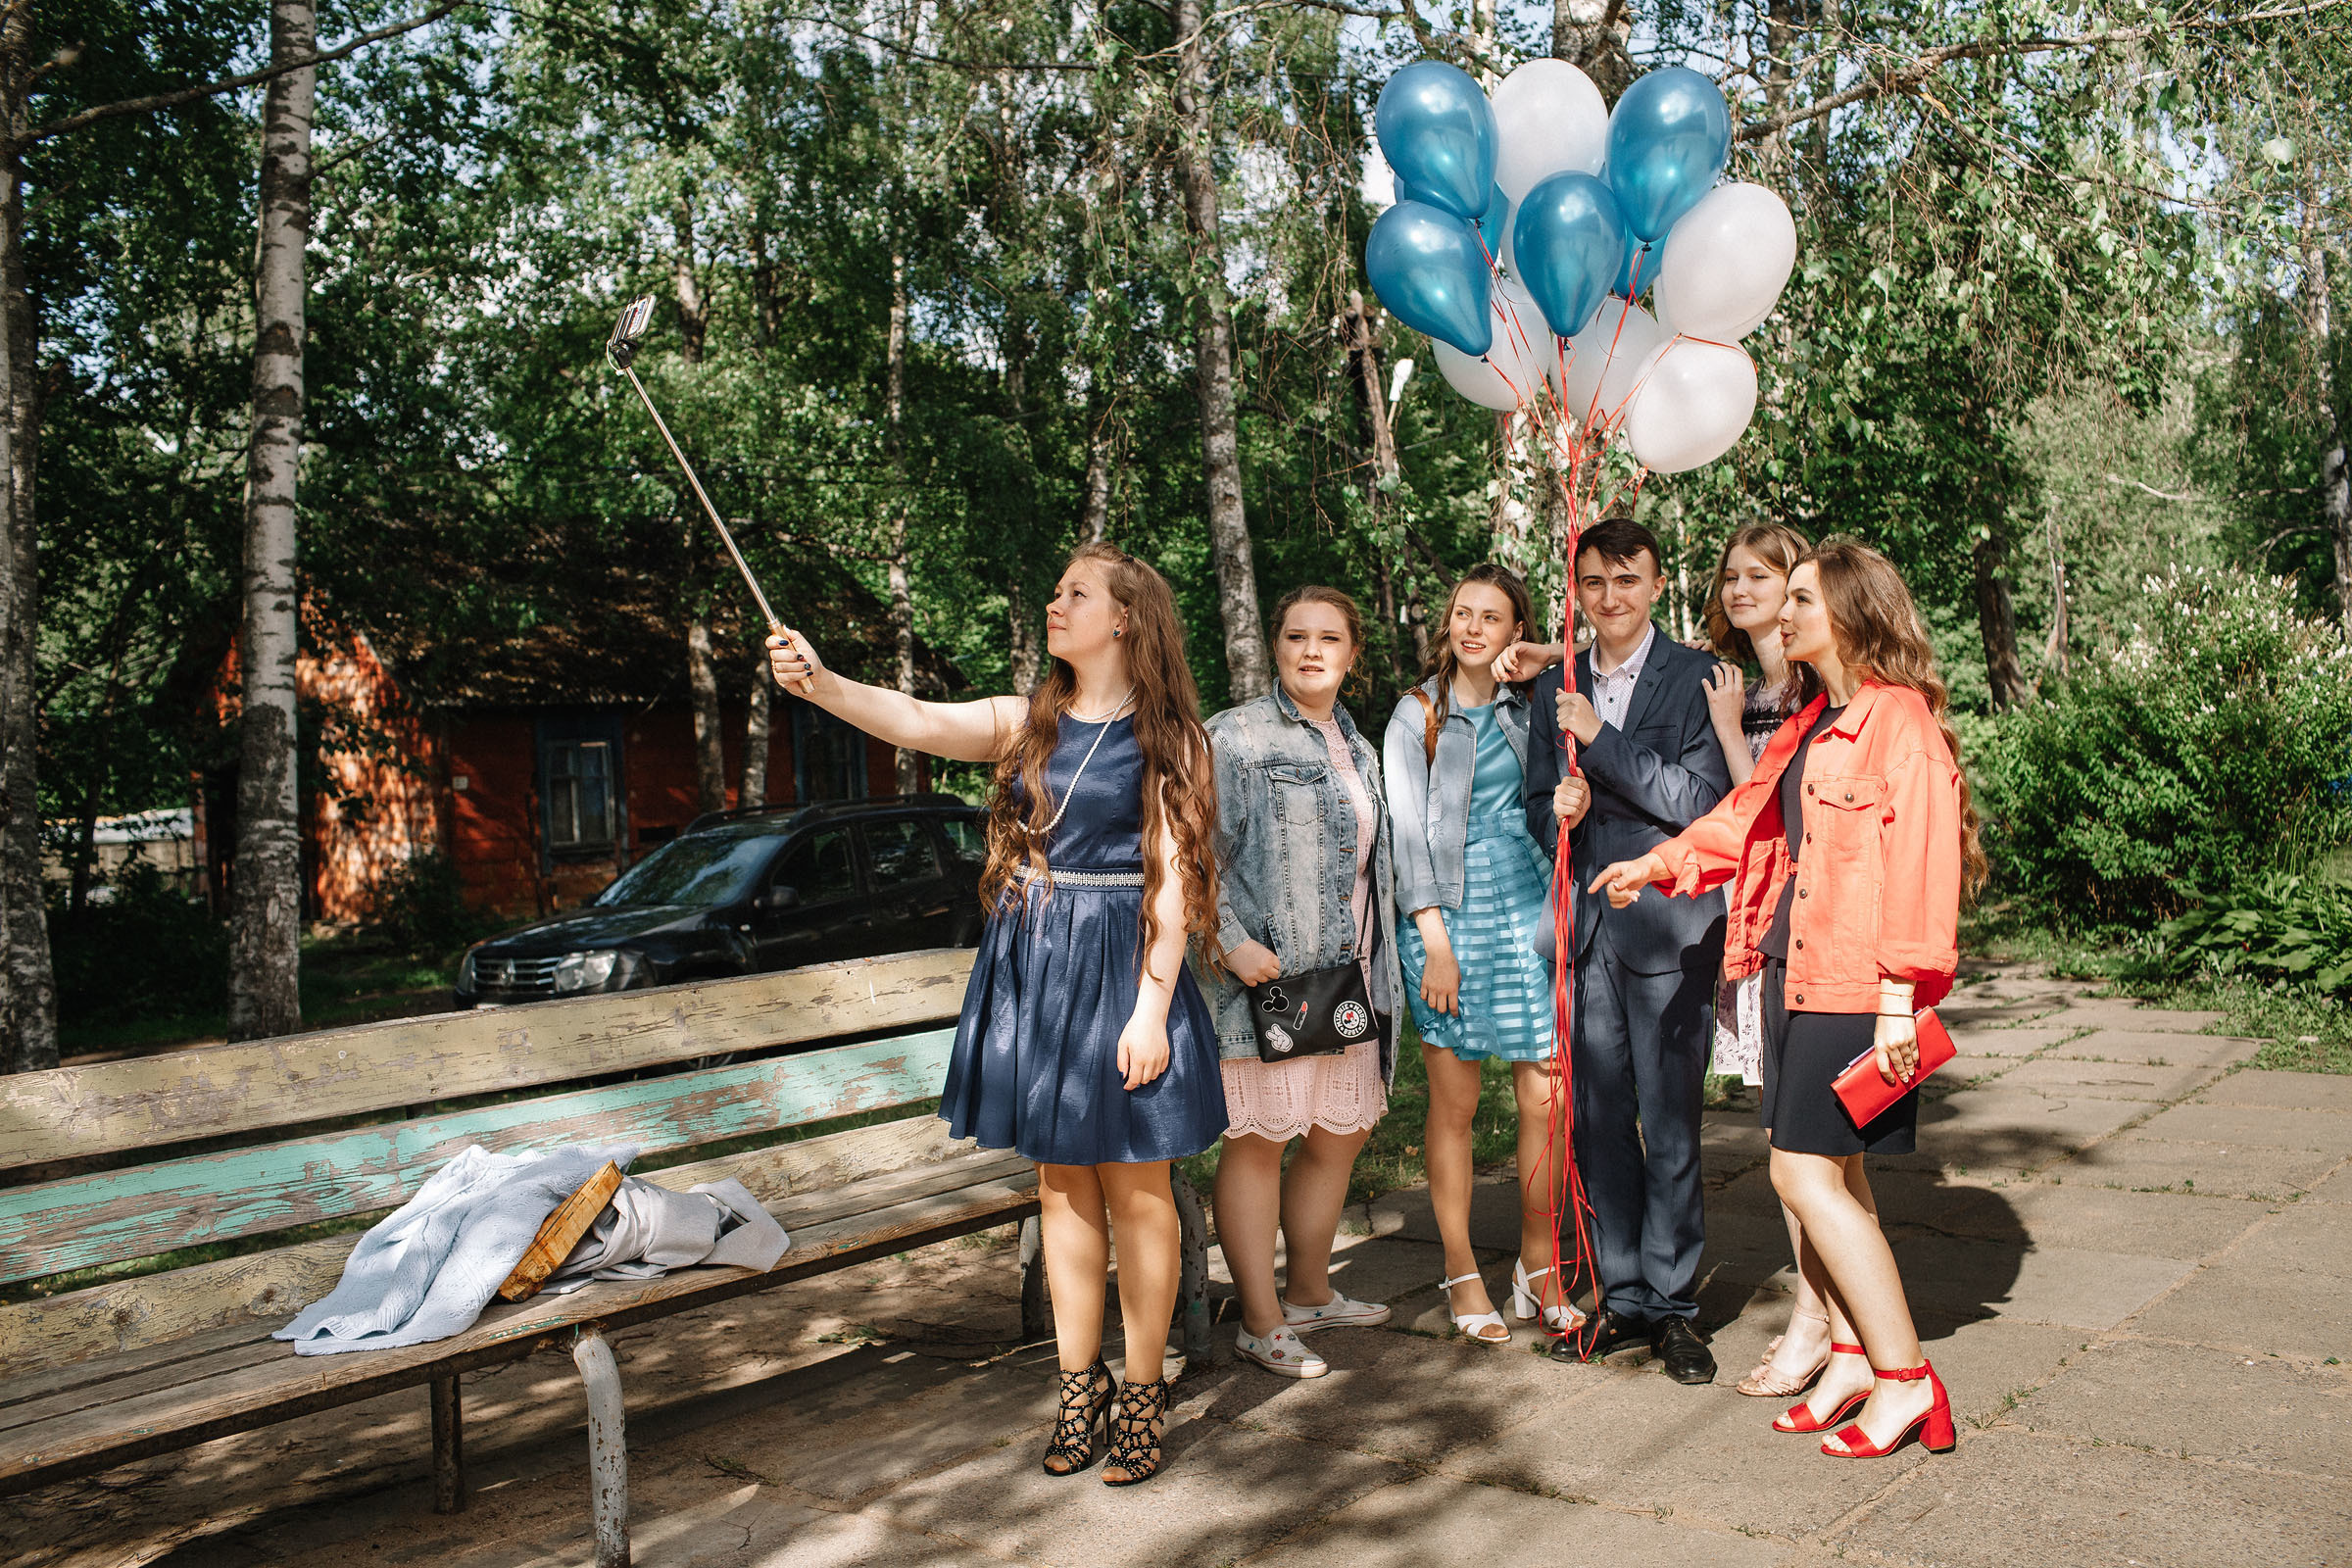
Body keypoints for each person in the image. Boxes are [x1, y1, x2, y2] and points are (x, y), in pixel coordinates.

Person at [765, 542, 1225, 1488]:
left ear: (1125, 618)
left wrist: (1150, 1009)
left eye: (1075, 593)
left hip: (1124, 963)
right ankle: (1077, 1383)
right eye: (1054, 589)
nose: (1056, 603)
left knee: (1137, 1187)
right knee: (1061, 1187)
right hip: (1037, 965)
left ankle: (1143, 1391)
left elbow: (1176, 882)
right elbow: (918, 720)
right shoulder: (1030, 722)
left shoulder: (1173, 736)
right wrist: (822, 683)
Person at [1590, 537, 1983, 1459]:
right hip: (1794, 969)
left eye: (1804, 598)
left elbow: (1927, 871)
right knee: (1834, 1176)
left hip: (1862, 985)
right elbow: (1741, 817)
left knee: (1799, 1176)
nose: (1786, 613)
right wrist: (1655, 864)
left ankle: (1907, 1379)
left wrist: (1900, 999)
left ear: (1852, 611)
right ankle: (1853, 1355)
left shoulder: (1899, 722)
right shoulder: (1815, 721)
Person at [1523, 517, 1732, 1384]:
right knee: (1601, 1121)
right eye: (1596, 584)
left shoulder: (1697, 677)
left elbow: (1698, 800)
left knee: (1672, 1124)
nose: (1611, 599)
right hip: (1586, 930)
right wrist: (1559, 812)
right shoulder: (1555, 683)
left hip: (1668, 928)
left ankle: (1679, 1307)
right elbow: (1537, 803)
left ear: (1653, 584)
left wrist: (1601, 745)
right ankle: (1627, 1295)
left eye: (1628, 581)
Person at [1204, 587, 1401, 1378]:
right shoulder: (1236, 737)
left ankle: (1312, 1292)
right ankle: (1259, 1319)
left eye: (1330, 638)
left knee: (1337, 1133)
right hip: (1270, 975)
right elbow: (1190, 850)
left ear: (1353, 653)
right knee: (1260, 1141)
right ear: (1276, 648)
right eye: (1296, 636)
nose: (1312, 650)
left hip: (1349, 977)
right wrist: (1229, 943)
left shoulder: (1361, 745)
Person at [1385, 564, 1579, 1347]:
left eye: (1492, 618)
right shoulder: (1416, 714)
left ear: (1513, 632)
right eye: (1463, 613)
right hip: (1447, 917)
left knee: (1547, 1093)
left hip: (1530, 902)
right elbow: (1404, 838)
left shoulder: (1536, 702)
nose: (1472, 628)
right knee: (1456, 1105)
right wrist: (1433, 943)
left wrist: (1542, 655)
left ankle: (1540, 1265)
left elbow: (1606, 655)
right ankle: (1462, 1270)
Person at [1697, 525, 1853, 1401]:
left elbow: (1763, 800)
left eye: (1768, 577)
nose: (1744, 589)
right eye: (1732, 576)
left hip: (1799, 914)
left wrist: (1728, 731)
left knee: (1798, 1140)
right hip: (1745, 905)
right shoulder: (1735, 679)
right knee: (1777, 1124)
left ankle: (1819, 1316)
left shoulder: (1809, 683)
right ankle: (1830, 1315)